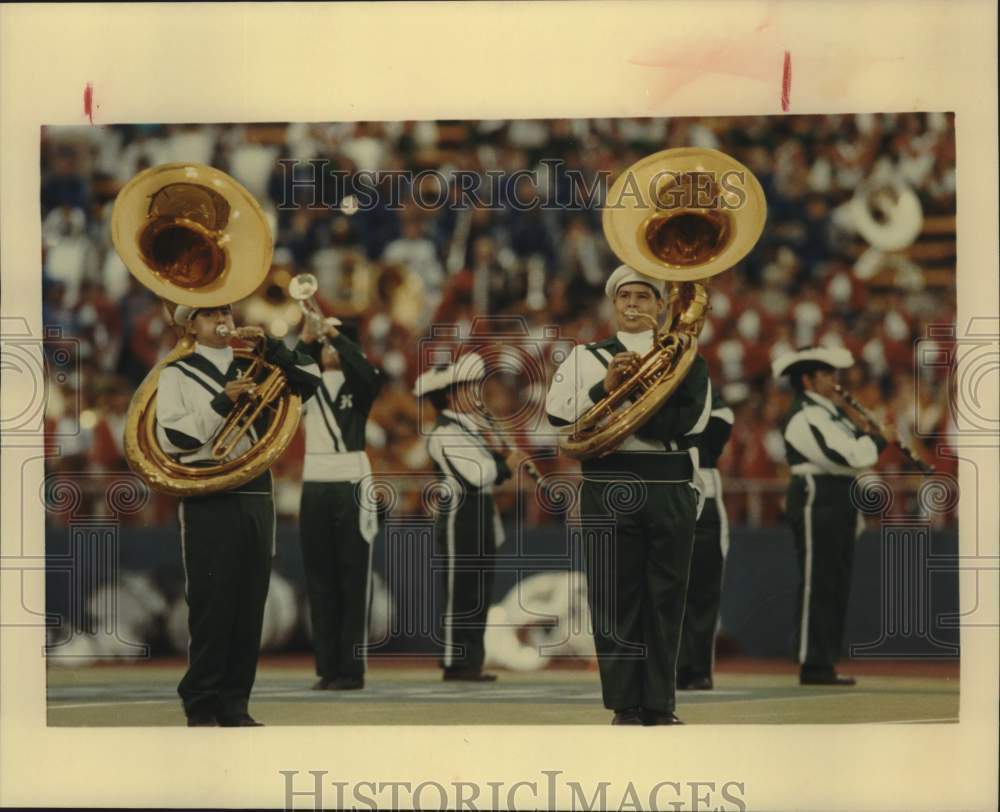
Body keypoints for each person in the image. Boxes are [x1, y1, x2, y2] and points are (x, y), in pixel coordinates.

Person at [545, 264, 712, 725]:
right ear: (613, 304)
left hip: (668, 485)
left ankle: (660, 703)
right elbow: (558, 417)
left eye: (644, 297)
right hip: (607, 484)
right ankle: (624, 704)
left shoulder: (688, 359)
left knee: (666, 598)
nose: (634, 305)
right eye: (625, 297)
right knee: (613, 596)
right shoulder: (586, 358)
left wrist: (625, 403)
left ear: (661, 307)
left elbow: (691, 425)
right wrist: (606, 388)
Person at [156, 303, 320, 726]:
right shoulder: (176, 372)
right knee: (213, 602)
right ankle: (201, 702)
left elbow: (311, 380)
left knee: (251, 602)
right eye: (209, 314)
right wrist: (221, 403)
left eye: (225, 311)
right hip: (208, 490)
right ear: (190, 324)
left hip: (256, 489)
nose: (222, 320)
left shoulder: (257, 363)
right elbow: (173, 438)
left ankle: (235, 703)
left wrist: (273, 347)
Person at [772, 346, 897, 686]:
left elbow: (853, 449)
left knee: (836, 581)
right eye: (826, 374)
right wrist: (878, 440)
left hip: (839, 495)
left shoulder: (830, 414)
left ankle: (824, 662)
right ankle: (811, 662)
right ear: (807, 379)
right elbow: (842, 456)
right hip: (817, 493)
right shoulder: (804, 415)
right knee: (819, 580)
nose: (834, 381)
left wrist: (868, 432)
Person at [413, 354, 523, 682]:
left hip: (481, 514)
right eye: (466, 388)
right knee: (460, 591)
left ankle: (471, 661)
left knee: (478, 591)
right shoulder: (444, 432)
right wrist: (507, 464)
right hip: (460, 516)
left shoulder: (468, 427)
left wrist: (501, 453)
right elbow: (476, 474)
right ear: (448, 395)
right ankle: (454, 660)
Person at [295, 317, 383, 691]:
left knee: (353, 578)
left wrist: (335, 336)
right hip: (314, 482)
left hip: (350, 481)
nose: (329, 350)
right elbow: (288, 373)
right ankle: (327, 667)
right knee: (320, 579)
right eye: (327, 344)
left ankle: (352, 668)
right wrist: (305, 340)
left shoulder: (358, 382)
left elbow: (368, 373)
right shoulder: (307, 383)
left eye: (337, 343)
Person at [677, 387, 734, 691]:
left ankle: (697, 669)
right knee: (666, 589)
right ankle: (670, 667)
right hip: (666, 490)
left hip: (705, 491)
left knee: (703, 589)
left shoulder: (711, 395)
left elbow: (717, 431)